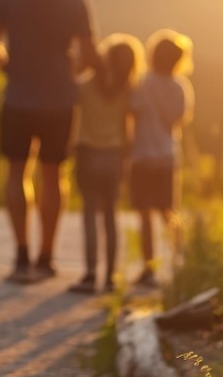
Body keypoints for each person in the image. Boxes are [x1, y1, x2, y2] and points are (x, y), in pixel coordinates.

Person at [0, 0, 103, 283]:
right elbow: (90, 56)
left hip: (17, 97)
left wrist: (9, 66)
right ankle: (46, 257)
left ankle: (21, 255)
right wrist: (70, 73)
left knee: (16, 172)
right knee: (53, 175)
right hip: (60, 100)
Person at [68, 33, 144, 294]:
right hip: (114, 155)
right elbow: (129, 130)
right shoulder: (128, 91)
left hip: (88, 153)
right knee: (111, 215)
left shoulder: (86, 84)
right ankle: (110, 276)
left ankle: (90, 274)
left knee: (89, 213)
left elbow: (72, 111)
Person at [129, 29, 194, 288]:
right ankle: (183, 260)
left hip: (142, 155)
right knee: (169, 210)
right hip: (167, 155)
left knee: (145, 215)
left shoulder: (141, 83)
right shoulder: (180, 86)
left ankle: (149, 268)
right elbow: (178, 119)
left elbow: (131, 113)